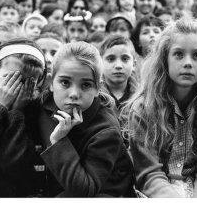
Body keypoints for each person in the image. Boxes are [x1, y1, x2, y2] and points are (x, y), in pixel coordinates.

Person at [126, 18, 197, 198]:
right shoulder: (143, 109)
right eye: (179, 54)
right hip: (156, 192)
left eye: (196, 55)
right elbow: (148, 173)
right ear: (165, 59)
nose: (188, 63)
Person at [32, 41, 135, 197]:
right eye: (65, 82)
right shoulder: (42, 106)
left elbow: (86, 189)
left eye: (85, 85)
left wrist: (59, 141)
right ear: (51, 82)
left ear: (97, 89)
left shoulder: (106, 130)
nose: (74, 93)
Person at [0, 39, 47, 197]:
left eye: (25, 83)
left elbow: (13, 165)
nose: (15, 91)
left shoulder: (35, 112)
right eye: (10, 79)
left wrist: (16, 113)